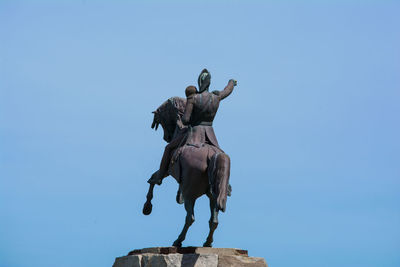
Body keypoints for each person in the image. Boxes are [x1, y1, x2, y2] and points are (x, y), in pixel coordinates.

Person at [148, 69, 237, 185]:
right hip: (210, 135)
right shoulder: (216, 97)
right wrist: (232, 82)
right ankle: (226, 185)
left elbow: (185, 120)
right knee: (220, 155)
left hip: (194, 134)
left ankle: (159, 176)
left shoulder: (193, 98)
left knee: (168, 148)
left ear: (200, 82)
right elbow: (227, 90)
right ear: (209, 83)